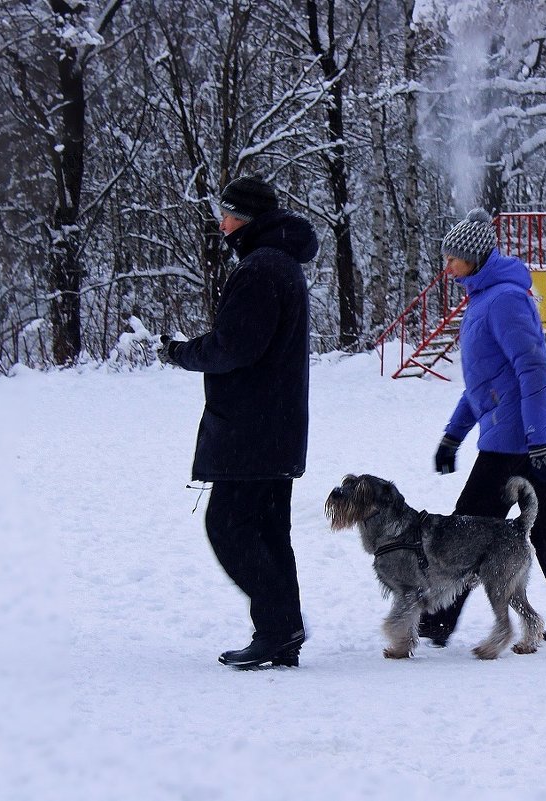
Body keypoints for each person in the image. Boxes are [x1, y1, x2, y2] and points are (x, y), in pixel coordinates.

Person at [419, 207, 546, 646]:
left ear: (475, 259)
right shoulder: (483, 298)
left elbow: (534, 370)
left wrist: (538, 440)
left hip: (515, 438)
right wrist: (452, 434)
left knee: (465, 529)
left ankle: (436, 622)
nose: (447, 266)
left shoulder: (504, 299)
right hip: (507, 432)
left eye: (454, 258)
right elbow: (483, 382)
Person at [158, 175, 317, 669]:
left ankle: (278, 625)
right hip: (276, 422)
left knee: (228, 526)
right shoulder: (280, 264)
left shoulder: (259, 269)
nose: (221, 223)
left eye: (227, 215)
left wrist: (182, 353)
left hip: (252, 427)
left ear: (244, 219)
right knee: (268, 530)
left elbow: (235, 347)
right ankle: (280, 629)